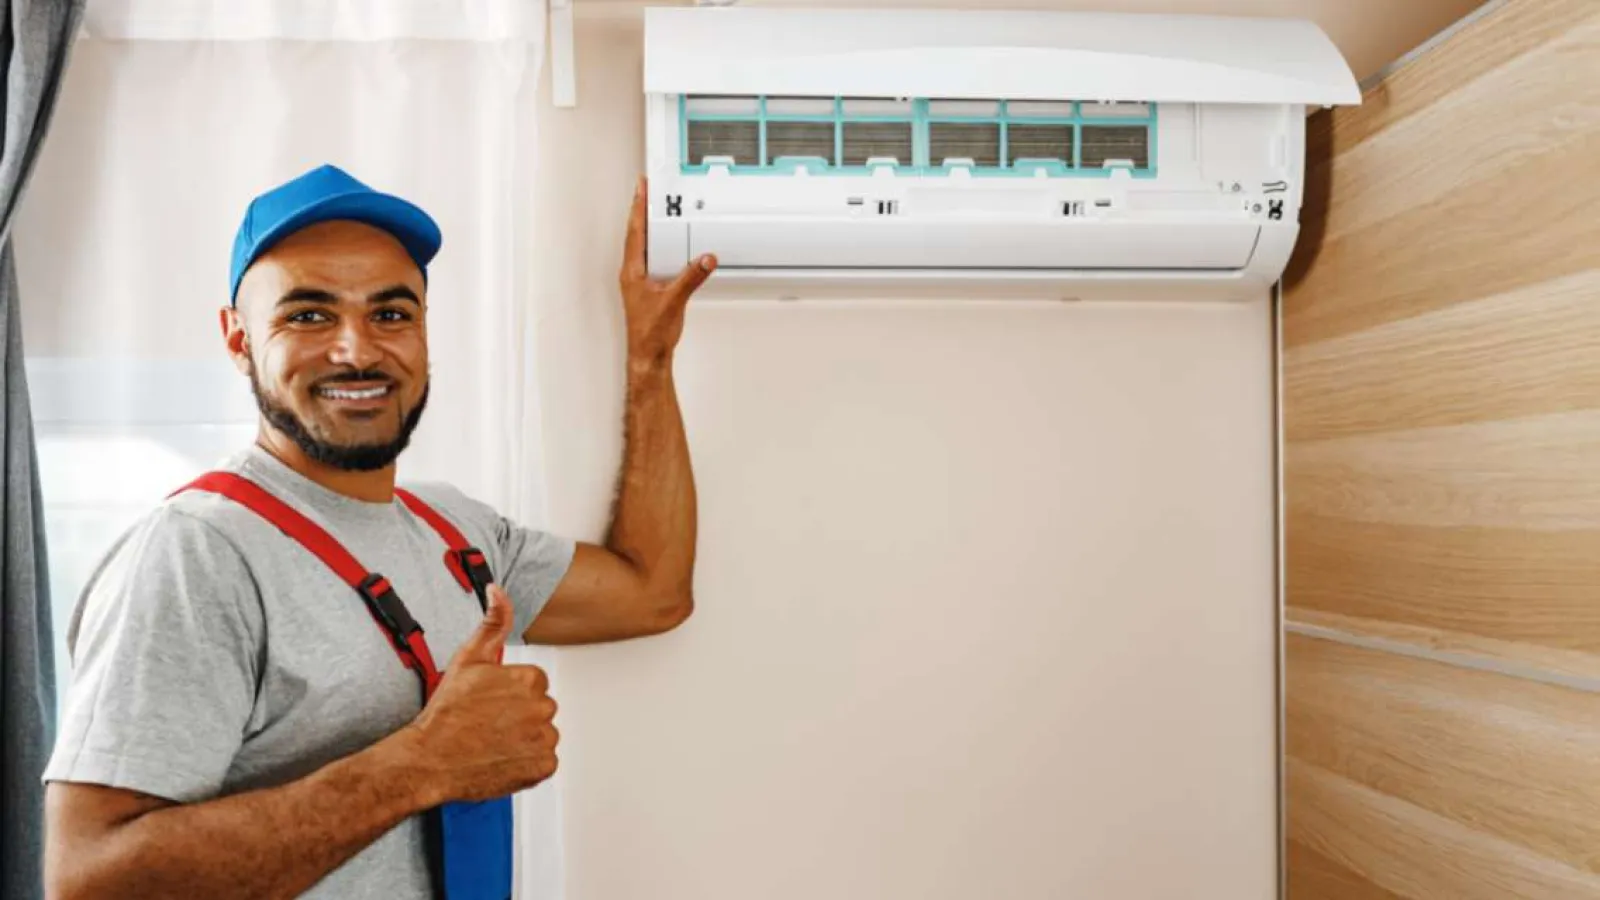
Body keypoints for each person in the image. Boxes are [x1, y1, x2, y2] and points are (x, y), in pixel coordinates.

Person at [40, 164, 716, 899]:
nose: (357, 351)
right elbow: (89, 878)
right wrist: (423, 766)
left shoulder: (454, 531)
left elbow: (650, 592)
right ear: (237, 340)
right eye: (308, 315)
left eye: (391, 314)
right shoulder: (196, 553)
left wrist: (650, 360)